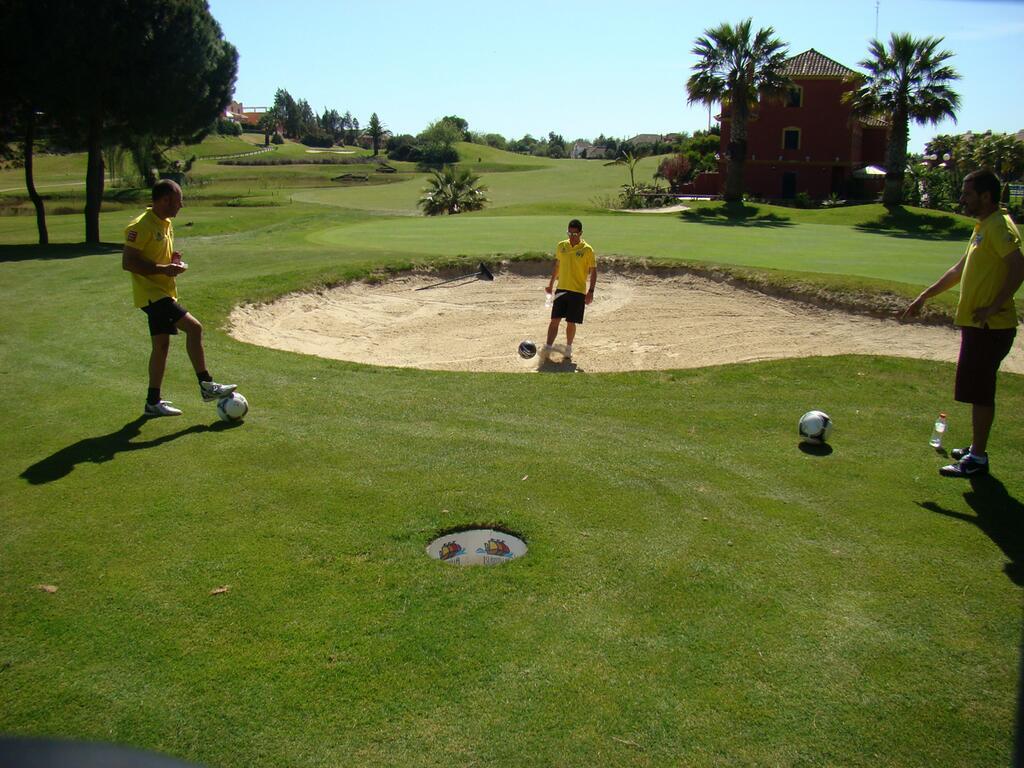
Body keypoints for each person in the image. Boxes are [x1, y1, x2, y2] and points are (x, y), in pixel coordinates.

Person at [902, 169, 1024, 477]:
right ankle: (975, 447)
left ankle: (978, 458)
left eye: (967, 194)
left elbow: (1018, 267)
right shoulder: (983, 226)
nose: (962, 199)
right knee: (976, 389)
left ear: (986, 196)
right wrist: (924, 296)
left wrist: (994, 306)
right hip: (978, 326)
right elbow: (959, 270)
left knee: (982, 391)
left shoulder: (999, 226)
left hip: (991, 327)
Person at [122, 179, 236, 417]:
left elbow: (156, 254)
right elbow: (129, 262)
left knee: (161, 346)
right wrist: (164, 269)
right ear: (165, 200)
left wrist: (172, 261)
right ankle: (207, 386)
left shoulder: (165, 222)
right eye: (178, 201)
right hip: (152, 295)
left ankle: (153, 402)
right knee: (195, 329)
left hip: (162, 292)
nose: (181, 206)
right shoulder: (141, 225)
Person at [543, 219, 597, 361]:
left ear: (580, 233)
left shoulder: (587, 250)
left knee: (571, 322)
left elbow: (593, 271)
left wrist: (590, 291)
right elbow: (557, 266)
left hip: (578, 291)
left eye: (574, 233)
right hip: (561, 289)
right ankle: (547, 348)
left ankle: (568, 348)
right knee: (554, 320)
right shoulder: (561, 246)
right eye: (569, 233)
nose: (572, 236)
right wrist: (550, 284)